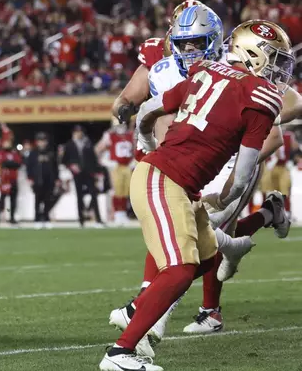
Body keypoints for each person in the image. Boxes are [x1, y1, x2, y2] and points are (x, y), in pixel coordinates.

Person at [99, 19, 291, 371]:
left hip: (164, 175)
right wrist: (222, 198)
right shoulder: (260, 97)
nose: (279, 69)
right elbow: (243, 172)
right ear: (254, 54)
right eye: (275, 59)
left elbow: (146, 108)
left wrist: (144, 145)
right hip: (166, 179)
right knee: (178, 269)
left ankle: (136, 312)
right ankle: (120, 353)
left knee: (205, 256)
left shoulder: (206, 72)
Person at [62, 125, 103, 227]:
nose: (79, 133)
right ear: (73, 133)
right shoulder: (69, 145)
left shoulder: (88, 143)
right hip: (77, 174)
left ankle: (98, 219)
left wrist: (96, 172)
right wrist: (72, 166)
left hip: (89, 173)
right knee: (79, 196)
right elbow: (64, 160)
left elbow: (93, 159)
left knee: (94, 194)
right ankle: (81, 220)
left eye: (80, 132)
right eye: (77, 132)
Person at [95, 123, 134, 225]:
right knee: (117, 190)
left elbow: (134, 149)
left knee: (126, 191)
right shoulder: (110, 135)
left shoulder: (131, 135)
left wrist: (133, 161)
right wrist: (107, 161)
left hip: (127, 165)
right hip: (116, 166)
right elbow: (98, 149)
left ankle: (123, 213)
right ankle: (117, 214)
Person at [26, 132, 58, 229]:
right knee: (37, 201)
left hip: (49, 180)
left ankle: (46, 218)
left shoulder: (51, 152)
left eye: (44, 141)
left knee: (48, 201)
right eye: (40, 141)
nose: (42, 143)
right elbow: (29, 167)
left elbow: (55, 167)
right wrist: (30, 178)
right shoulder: (33, 153)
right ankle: (37, 219)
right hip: (37, 180)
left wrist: (56, 178)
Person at [0, 139, 21, 227]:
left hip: (13, 179)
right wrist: (10, 164)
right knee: (2, 199)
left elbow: (18, 164)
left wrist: (8, 164)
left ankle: (12, 217)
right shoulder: (1, 153)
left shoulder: (14, 153)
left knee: (13, 200)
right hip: (5, 180)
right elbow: (1, 164)